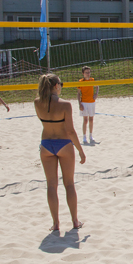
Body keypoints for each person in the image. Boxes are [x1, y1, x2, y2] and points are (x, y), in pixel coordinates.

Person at [35, 73, 86, 232]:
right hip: (64, 143)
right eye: (61, 84)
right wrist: (80, 151)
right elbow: (70, 131)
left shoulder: (37, 103)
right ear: (56, 86)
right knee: (69, 184)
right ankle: (75, 221)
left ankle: (56, 223)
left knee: (51, 185)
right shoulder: (65, 105)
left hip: (46, 144)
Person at [77, 65, 98, 144]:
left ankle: (91, 135)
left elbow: (97, 86)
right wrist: (80, 104)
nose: (88, 74)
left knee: (91, 119)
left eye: (89, 72)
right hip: (84, 102)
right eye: (86, 73)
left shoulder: (92, 80)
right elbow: (78, 94)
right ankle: (84, 136)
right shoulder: (80, 81)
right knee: (85, 120)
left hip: (91, 102)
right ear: (83, 73)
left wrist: (96, 94)